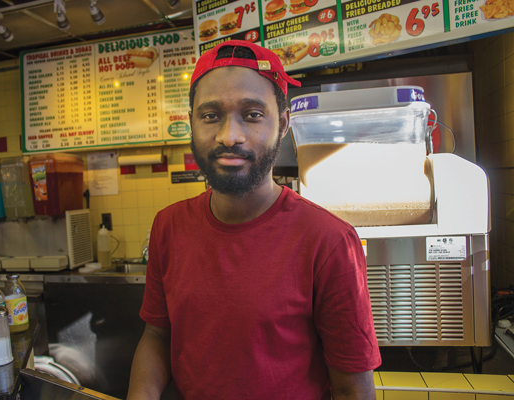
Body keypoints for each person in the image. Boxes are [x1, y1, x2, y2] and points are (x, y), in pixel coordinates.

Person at [128, 40, 381, 400]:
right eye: (210, 115)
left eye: (253, 115)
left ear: (283, 124)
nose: (229, 136)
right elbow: (157, 334)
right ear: (191, 124)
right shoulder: (168, 226)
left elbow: (352, 389)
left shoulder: (329, 241)